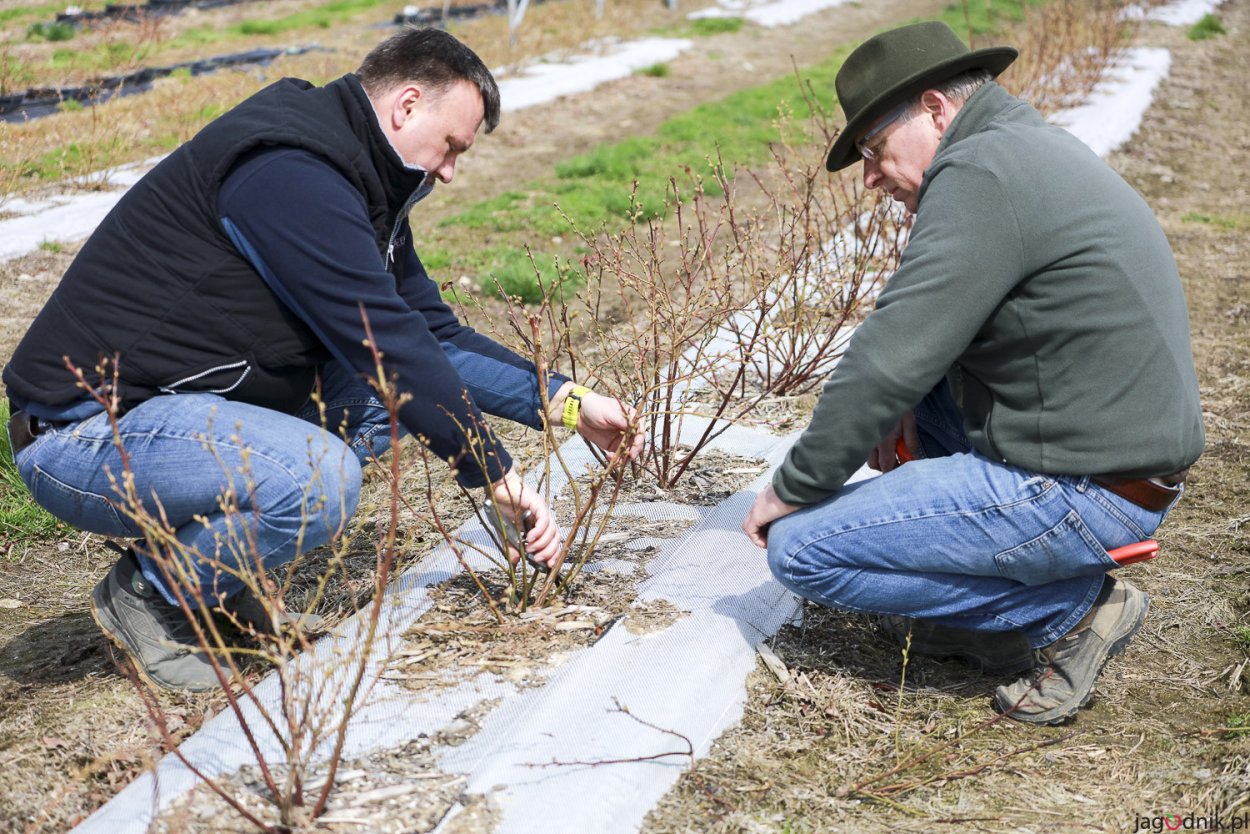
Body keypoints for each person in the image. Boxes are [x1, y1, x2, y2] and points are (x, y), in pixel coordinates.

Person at [3, 28, 640, 692]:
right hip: (82, 433)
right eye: (452, 146)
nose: (450, 170)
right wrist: (495, 474)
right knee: (320, 479)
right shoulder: (289, 174)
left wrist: (569, 401)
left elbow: (432, 337)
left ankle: (219, 581)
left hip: (169, 412)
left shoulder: (357, 179)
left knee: (384, 409)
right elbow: (385, 341)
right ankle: (155, 593)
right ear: (408, 104)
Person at [742, 21, 1203, 724]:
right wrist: (910, 396)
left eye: (873, 149)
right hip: (1111, 454)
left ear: (934, 109)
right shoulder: (1015, 146)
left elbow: (890, 350)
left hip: (1086, 485)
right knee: (915, 406)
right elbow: (930, 329)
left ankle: (1071, 613)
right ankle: (975, 613)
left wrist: (793, 487)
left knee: (801, 550)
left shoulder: (979, 172)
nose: (869, 177)